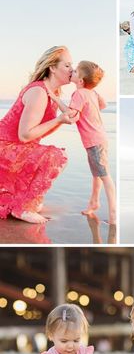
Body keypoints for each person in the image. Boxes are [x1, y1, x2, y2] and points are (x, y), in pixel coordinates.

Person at [0, 46, 78, 224]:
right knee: (58, 156)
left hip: (16, 148)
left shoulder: (53, 93)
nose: (72, 69)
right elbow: (25, 135)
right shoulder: (38, 92)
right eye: (67, 65)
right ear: (52, 68)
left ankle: (23, 200)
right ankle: (24, 208)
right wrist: (59, 120)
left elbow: (43, 129)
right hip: (5, 146)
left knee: (41, 153)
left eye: (72, 65)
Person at [49, 61, 116, 224]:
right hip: (99, 139)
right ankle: (94, 202)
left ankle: (114, 214)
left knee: (105, 176)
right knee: (96, 174)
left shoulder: (79, 94)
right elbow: (104, 105)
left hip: (94, 141)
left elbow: (71, 114)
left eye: (76, 71)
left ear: (80, 81)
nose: (72, 71)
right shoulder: (91, 92)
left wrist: (55, 98)